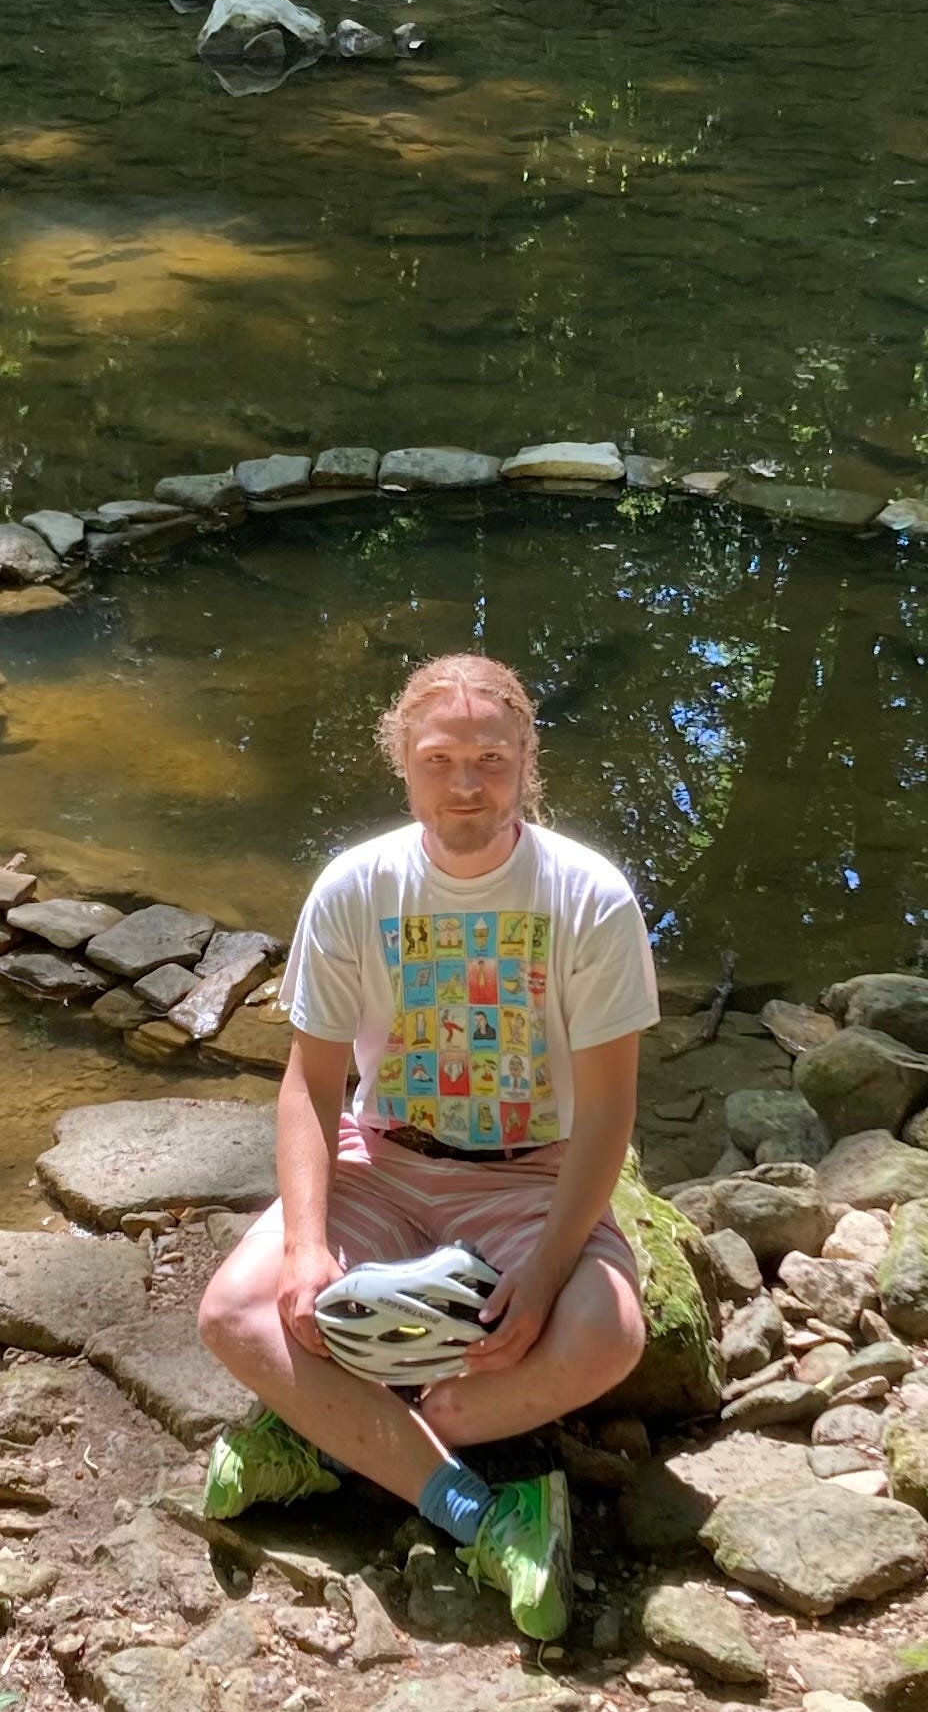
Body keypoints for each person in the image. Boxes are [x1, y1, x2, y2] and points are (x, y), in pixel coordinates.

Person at [195, 653, 660, 1640]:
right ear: (402, 765)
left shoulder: (589, 896)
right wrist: (307, 1245)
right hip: (386, 1160)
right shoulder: (354, 887)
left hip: (534, 1173)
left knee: (607, 1333)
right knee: (234, 1311)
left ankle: (329, 1432)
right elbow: (311, 1084)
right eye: (439, 759)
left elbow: (609, 1108)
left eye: (490, 758)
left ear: (526, 758)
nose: (465, 785)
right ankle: (477, 1509)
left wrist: (545, 1271)